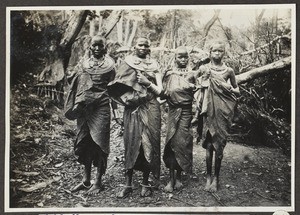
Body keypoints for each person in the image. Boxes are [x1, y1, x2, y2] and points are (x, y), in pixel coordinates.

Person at [64, 35, 120, 195]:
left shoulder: (110, 66)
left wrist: (116, 112)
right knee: (85, 142)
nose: (97, 48)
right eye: (94, 46)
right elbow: (75, 83)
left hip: (102, 108)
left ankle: (98, 182)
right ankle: (86, 180)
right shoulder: (83, 64)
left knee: (100, 144)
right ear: (90, 47)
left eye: (100, 46)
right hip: (85, 109)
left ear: (105, 48)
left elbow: (113, 89)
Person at [108, 37, 162, 198]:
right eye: (140, 44)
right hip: (131, 109)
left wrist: (147, 83)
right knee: (131, 144)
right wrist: (120, 107)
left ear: (149, 48)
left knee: (148, 144)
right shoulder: (126, 63)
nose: (143, 47)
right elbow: (116, 88)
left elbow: (161, 92)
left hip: (151, 107)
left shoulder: (155, 66)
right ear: (134, 46)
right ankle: (128, 184)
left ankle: (145, 183)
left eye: (146, 45)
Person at [196, 41, 240, 192]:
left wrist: (228, 87)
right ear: (210, 52)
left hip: (223, 111)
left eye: (220, 51)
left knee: (219, 145)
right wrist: (203, 82)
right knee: (209, 145)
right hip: (208, 110)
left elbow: (237, 91)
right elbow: (195, 86)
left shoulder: (229, 71)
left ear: (224, 53)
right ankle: (208, 177)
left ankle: (216, 178)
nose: (217, 53)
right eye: (214, 50)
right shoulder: (204, 68)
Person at [162, 47, 197, 193]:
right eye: (179, 57)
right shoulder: (169, 74)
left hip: (186, 112)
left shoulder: (192, 74)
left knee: (182, 142)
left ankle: (179, 176)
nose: (182, 60)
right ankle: (171, 179)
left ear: (188, 58)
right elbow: (163, 94)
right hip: (172, 111)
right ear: (175, 58)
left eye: (185, 57)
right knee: (171, 142)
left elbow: (197, 95)